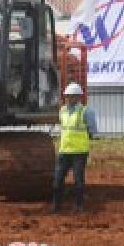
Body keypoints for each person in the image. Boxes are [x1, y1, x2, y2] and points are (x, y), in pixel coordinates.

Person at [52, 82, 97, 214]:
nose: (69, 98)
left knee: (78, 181)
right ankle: (56, 207)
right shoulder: (62, 110)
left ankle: (79, 207)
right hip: (64, 151)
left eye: (72, 96)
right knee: (57, 181)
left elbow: (92, 131)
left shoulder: (86, 111)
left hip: (79, 152)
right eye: (67, 96)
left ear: (79, 97)